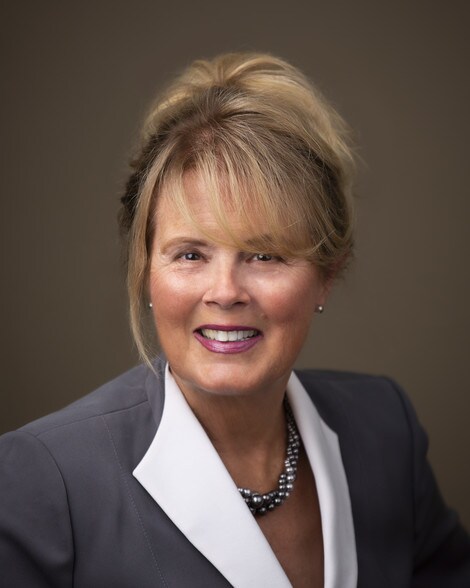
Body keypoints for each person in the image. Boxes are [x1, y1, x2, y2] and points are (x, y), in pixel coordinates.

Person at [0, 52, 469, 588]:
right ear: (145, 269)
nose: (225, 293)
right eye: (190, 254)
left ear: (327, 274)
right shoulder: (45, 479)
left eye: (265, 255)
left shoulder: (385, 430)